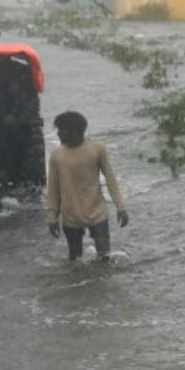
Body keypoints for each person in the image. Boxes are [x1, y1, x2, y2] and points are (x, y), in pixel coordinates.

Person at [46, 111, 129, 262]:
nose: (58, 134)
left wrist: (120, 207)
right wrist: (52, 216)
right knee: (74, 261)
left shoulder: (97, 149)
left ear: (74, 131)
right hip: (70, 216)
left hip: (97, 212)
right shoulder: (57, 156)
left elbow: (111, 180)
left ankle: (99, 284)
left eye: (61, 130)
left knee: (105, 258)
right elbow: (53, 189)